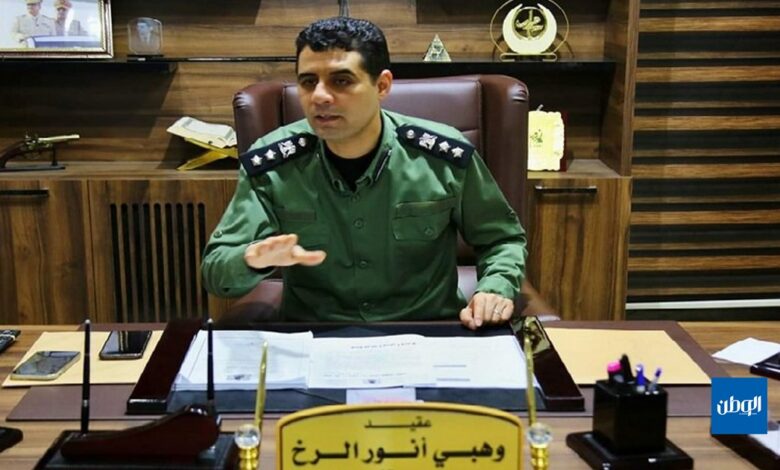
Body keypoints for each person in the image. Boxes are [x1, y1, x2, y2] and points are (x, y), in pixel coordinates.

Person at [201, 17, 527, 330]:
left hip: (426, 330)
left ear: (382, 85)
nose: (319, 96)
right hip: (316, 336)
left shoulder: (442, 157)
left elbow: (501, 239)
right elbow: (216, 270)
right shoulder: (274, 163)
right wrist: (251, 259)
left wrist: (495, 287)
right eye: (308, 82)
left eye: (341, 81)